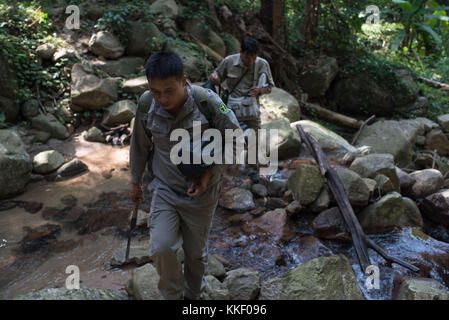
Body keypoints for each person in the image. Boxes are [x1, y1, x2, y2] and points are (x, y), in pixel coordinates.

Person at [129, 51, 241, 300]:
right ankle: (171, 294)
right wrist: (135, 181)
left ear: (183, 81)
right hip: (165, 189)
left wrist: (210, 173)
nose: (162, 98)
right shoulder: (147, 104)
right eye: (156, 91)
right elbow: (139, 144)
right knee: (161, 247)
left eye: (169, 91)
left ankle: (193, 297)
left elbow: (237, 138)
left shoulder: (209, 102)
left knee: (195, 254)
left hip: (203, 193)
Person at [209, 37, 275, 172]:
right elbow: (216, 76)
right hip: (230, 107)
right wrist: (214, 78)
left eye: (253, 57)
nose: (249, 61)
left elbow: (270, 87)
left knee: (255, 137)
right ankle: (220, 168)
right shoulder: (229, 61)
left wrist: (260, 90)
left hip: (251, 108)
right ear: (241, 52)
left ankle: (252, 169)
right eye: (246, 57)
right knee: (224, 135)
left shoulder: (262, 64)